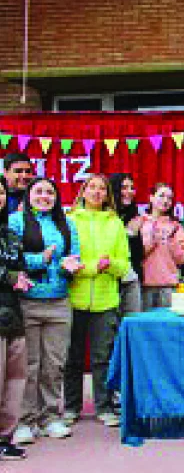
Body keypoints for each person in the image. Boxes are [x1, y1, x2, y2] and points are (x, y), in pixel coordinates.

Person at [9, 178, 81, 444]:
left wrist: (71, 265)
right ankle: (24, 420)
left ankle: (50, 417)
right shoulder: (16, 222)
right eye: (38, 191)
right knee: (29, 365)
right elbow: (11, 259)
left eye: (49, 192)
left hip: (59, 302)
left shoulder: (67, 223)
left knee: (54, 364)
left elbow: (74, 254)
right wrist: (41, 259)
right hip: (26, 302)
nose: (44, 196)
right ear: (28, 196)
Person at [64, 174, 130, 428]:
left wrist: (110, 265)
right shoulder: (70, 219)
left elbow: (123, 265)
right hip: (74, 298)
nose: (96, 192)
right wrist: (93, 268)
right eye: (91, 187)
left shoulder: (115, 222)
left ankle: (103, 407)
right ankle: (71, 407)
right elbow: (69, 262)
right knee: (73, 357)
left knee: (103, 357)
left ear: (107, 195)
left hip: (106, 300)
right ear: (83, 191)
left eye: (102, 188)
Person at [0, 178, 31, 459]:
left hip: (14, 313)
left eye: (0, 192)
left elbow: (20, 265)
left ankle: (5, 437)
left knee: (15, 378)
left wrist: (22, 277)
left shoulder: (10, 233)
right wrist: (10, 277)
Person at [138, 183, 184, 310]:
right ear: (151, 197)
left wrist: (171, 241)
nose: (165, 201)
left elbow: (182, 259)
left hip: (169, 286)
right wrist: (151, 241)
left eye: (169, 198)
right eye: (161, 196)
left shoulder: (176, 226)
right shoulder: (140, 222)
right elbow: (136, 254)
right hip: (144, 286)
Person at [109, 173, 143, 316]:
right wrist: (127, 233)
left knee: (134, 322)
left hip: (130, 279)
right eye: (124, 187)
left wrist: (134, 235)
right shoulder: (106, 215)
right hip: (109, 278)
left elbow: (138, 254)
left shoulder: (134, 216)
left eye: (132, 188)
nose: (129, 192)